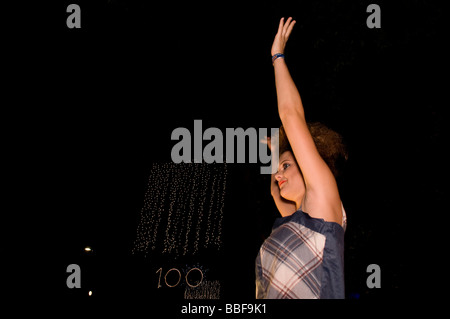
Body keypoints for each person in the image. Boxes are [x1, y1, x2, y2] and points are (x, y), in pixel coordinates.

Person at [255, 17, 348, 299]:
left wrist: (277, 56)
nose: (278, 174)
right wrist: (274, 156)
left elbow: (291, 116)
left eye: (286, 166)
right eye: (279, 169)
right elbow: (274, 191)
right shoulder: (294, 219)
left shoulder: (321, 202)